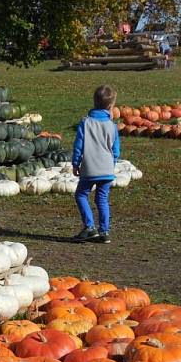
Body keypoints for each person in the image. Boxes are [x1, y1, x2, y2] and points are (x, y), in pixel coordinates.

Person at [72, 84, 120, 244]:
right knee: (102, 199)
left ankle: (89, 227)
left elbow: (78, 145)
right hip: (106, 169)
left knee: (81, 195)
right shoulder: (112, 126)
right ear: (111, 106)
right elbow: (116, 150)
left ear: (94, 103)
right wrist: (111, 164)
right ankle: (104, 231)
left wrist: (75, 163)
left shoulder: (85, 123)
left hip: (90, 169)